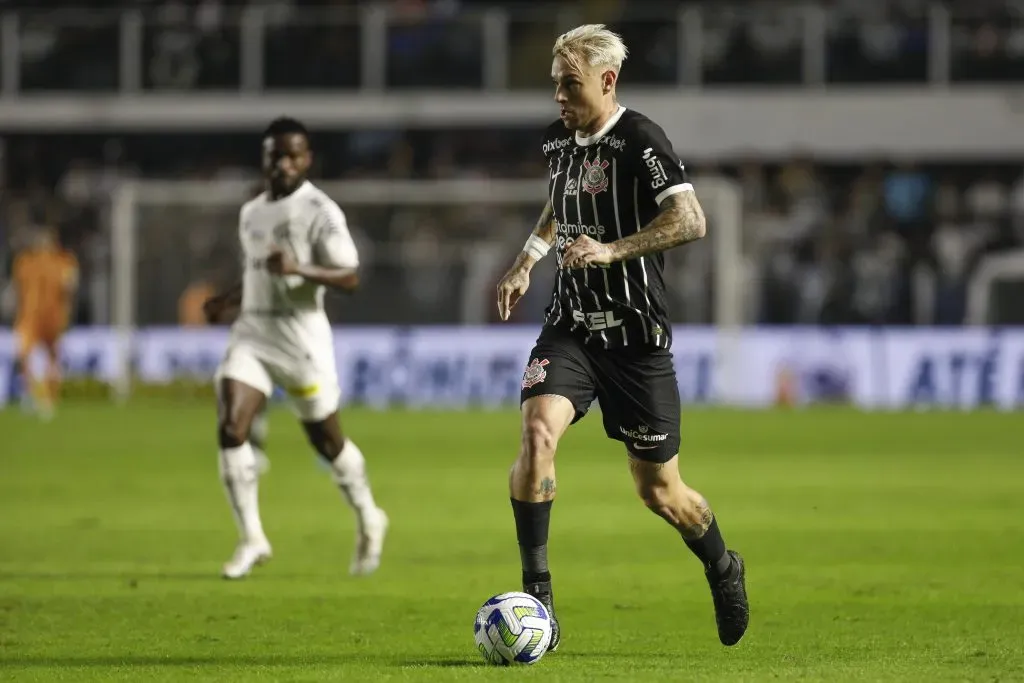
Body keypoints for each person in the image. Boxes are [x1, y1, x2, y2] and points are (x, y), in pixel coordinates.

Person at [496, 25, 749, 651]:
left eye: (569, 84)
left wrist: (612, 250)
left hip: (636, 342)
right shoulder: (559, 141)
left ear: (607, 81)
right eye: (555, 84)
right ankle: (539, 597)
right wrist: (528, 259)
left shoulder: (641, 139)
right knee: (536, 432)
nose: (558, 96)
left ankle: (722, 565)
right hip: (572, 328)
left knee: (660, 492)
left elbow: (691, 220)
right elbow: (560, 204)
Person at [202, 117, 388, 580]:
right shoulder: (251, 213)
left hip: (300, 337)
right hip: (253, 333)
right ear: (265, 159)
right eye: (276, 155)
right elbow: (257, 274)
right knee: (231, 425)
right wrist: (226, 300)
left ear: (307, 159)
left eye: (293, 155)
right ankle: (252, 538)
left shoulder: (321, 212)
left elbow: (350, 276)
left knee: (327, 442)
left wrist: (301, 268)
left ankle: (369, 515)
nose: (284, 163)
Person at [11, 225, 78, 419]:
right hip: (30, 316)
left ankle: (49, 399)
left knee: (52, 359)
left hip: (52, 317)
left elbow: (69, 287)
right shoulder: (25, 262)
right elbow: (19, 289)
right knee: (24, 355)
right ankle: (31, 395)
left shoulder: (63, 261)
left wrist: (67, 312)